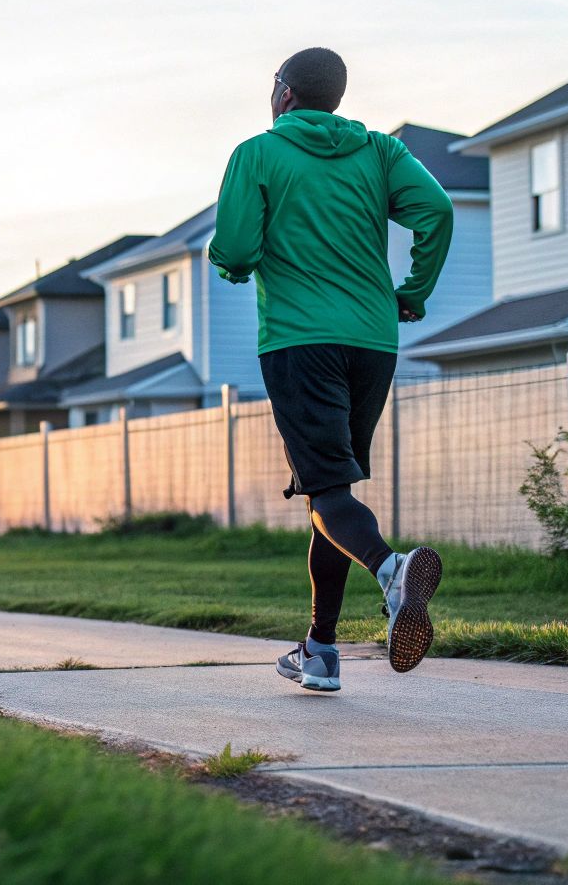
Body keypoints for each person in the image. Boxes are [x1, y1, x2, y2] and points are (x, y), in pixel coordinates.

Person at [208, 47, 453, 692]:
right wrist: (414, 291)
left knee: (328, 492)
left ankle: (391, 568)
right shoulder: (380, 153)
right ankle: (319, 652)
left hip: (299, 340)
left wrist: (234, 264)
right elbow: (438, 210)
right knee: (331, 491)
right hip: (373, 341)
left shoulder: (257, 155)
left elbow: (234, 248)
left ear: (284, 95)